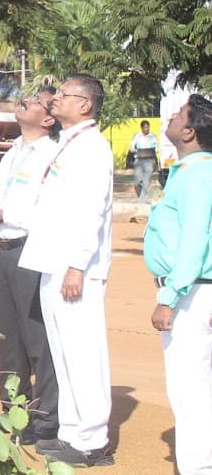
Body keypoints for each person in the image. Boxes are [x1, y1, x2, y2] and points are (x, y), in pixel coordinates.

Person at [18, 73, 115, 467]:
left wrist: (77, 264)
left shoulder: (91, 147)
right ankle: (73, 433)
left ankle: (92, 440)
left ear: (85, 105)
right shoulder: (70, 144)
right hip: (52, 263)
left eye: (63, 94)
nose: (54, 99)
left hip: (75, 268)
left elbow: (90, 210)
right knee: (64, 353)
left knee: (82, 353)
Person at [0, 89, 61, 446]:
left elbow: (52, 209)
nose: (25, 100)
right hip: (5, 248)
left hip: (33, 249)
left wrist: (8, 216)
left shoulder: (52, 154)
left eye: (37, 100)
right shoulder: (13, 153)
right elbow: (6, 202)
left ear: (49, 118)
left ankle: (46, 420)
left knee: (37, 338)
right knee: (9, 340)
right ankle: (14, 416)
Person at [143, 95, 212, 475]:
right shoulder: (190, 171)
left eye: (177, 114)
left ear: (189, 131)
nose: (168, 117)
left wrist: (169, 297)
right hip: (195, 288)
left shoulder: (199, 173)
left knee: (191, 393)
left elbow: (194, 241)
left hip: (190, 291)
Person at [130, 119, 159, 203]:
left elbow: (157, 148)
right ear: (142, 128)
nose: (147, 129)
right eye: (145, 127)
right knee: (137, 182)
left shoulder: (153, 136)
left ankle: (143, 201)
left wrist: (153, 151)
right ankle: (141, 197)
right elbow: (131, 148)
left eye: (148, 127)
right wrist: (136, 151)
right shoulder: (137, 136)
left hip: (149, 160)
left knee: (147, 181)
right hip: (139, 160)